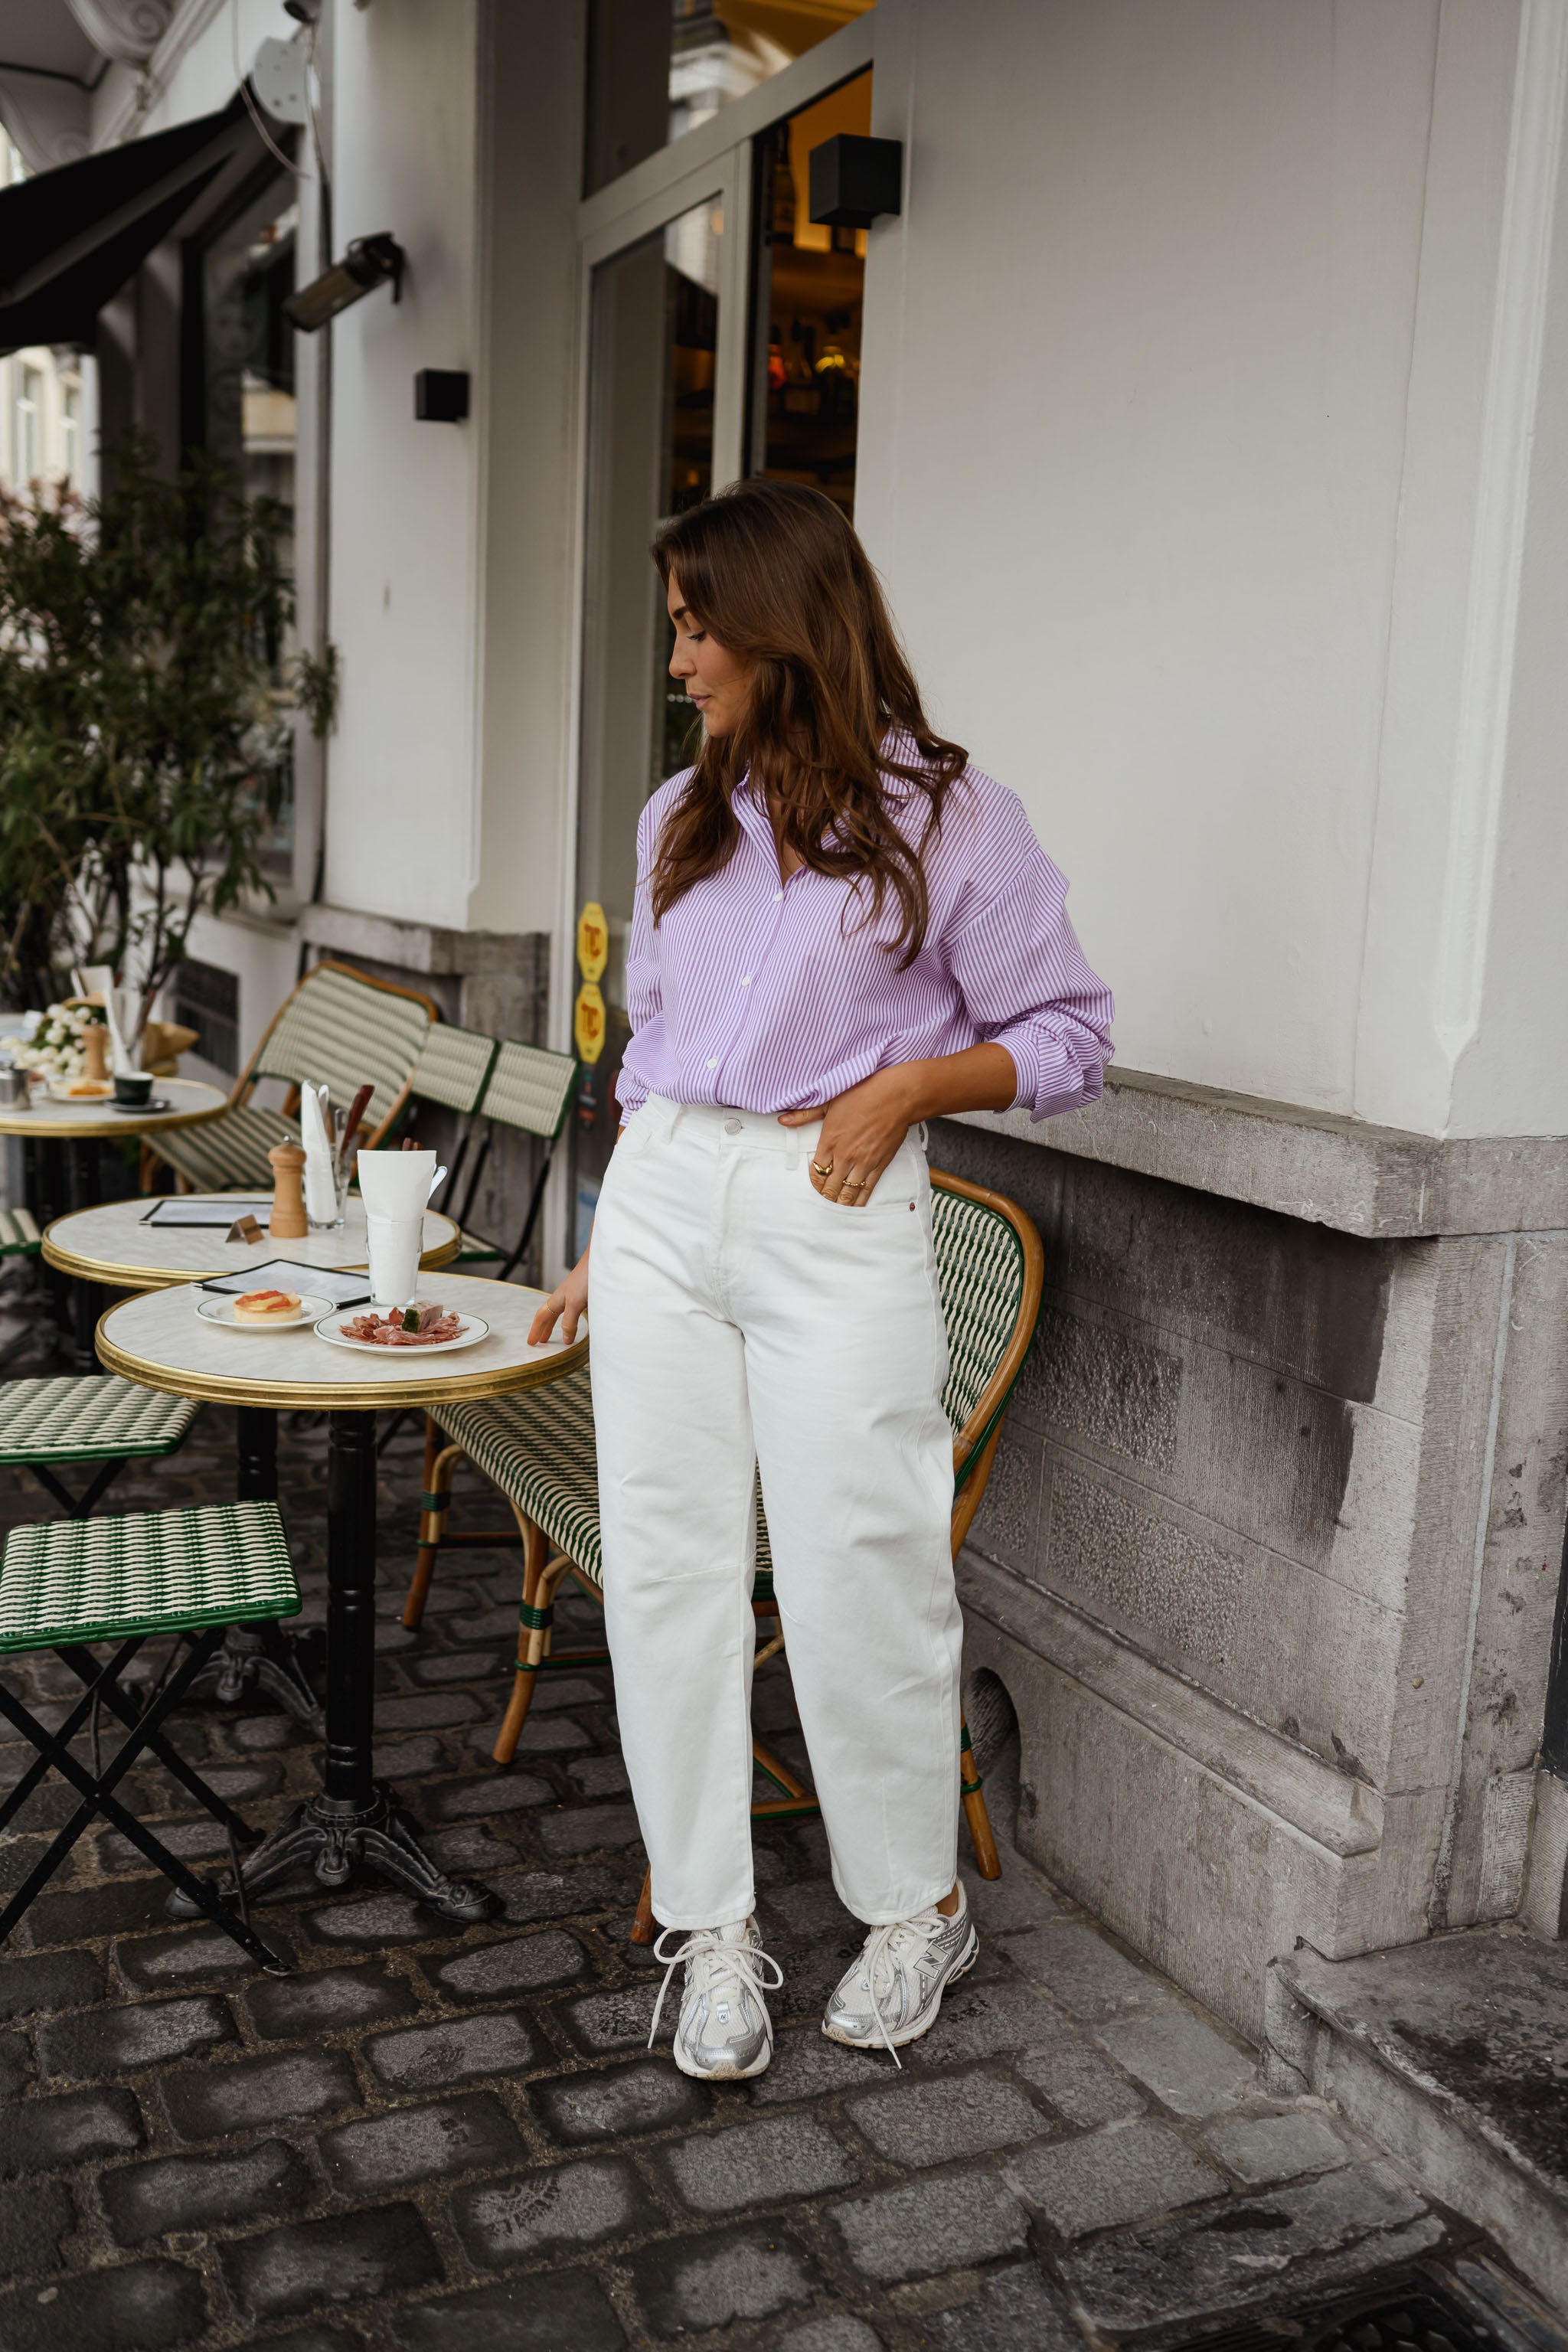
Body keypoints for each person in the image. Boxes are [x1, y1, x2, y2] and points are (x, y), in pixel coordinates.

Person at [529, 480, 1112, 2079]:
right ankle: (711, 1930)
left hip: (833, 1202)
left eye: (694, 625)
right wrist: (605, 1234)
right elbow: (652, 1061)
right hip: (663, 1206)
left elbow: (1073, 1035)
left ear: (780, 625)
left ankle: (913, 1908)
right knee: (666, 1570)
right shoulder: (680, 818)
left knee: (865, 1568)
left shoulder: (955, 818)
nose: (678, 659)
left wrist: (909, 1088)